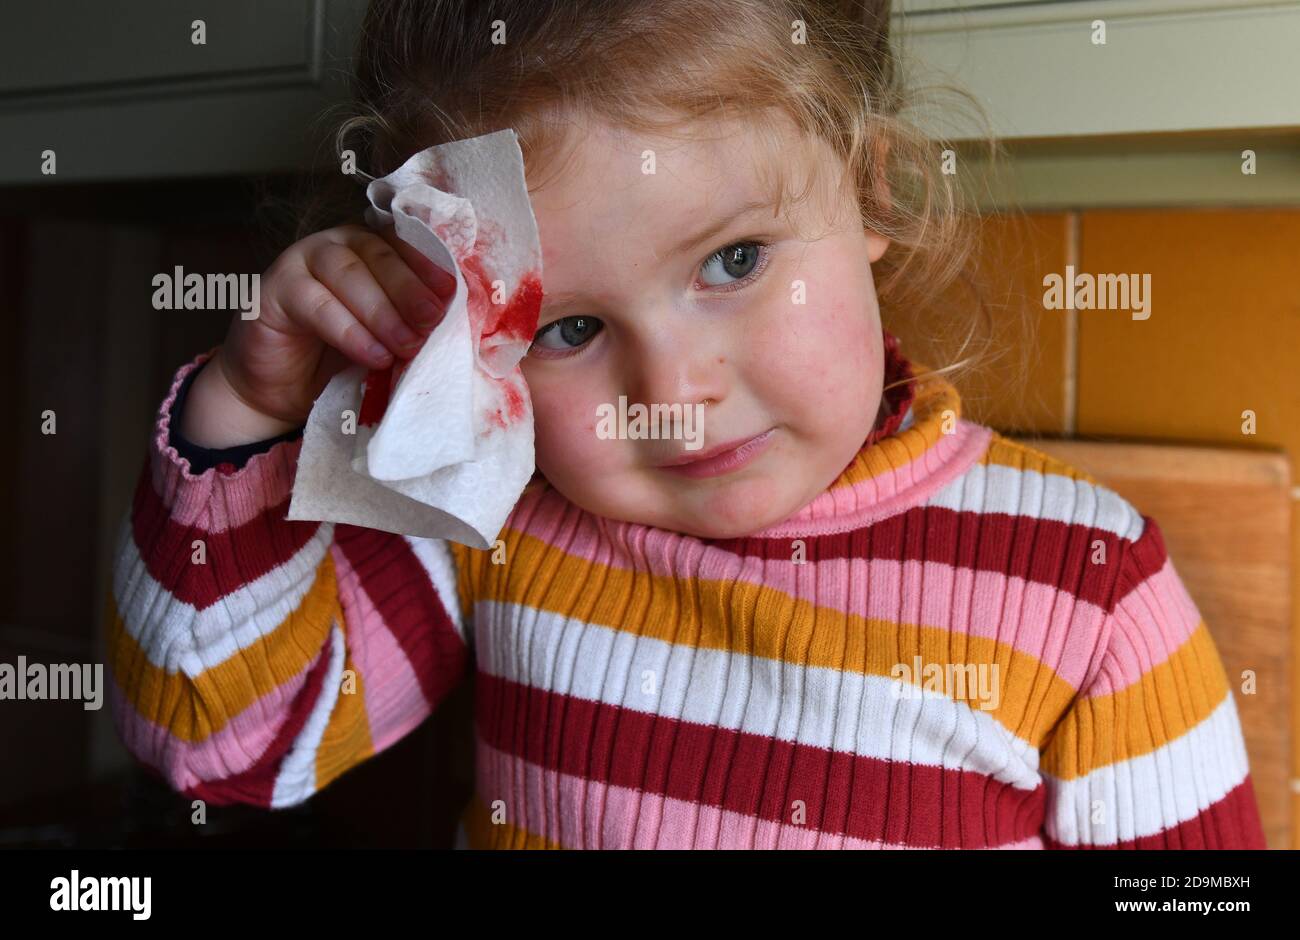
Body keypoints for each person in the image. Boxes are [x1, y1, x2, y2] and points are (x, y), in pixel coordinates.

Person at [106, 0, 1266, 848]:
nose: (676, 388)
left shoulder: (1092, 582)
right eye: (565, 329)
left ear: (872, 193)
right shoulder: (500, 514)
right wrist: (248, 412)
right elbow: (218, 744)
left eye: (735, 259)